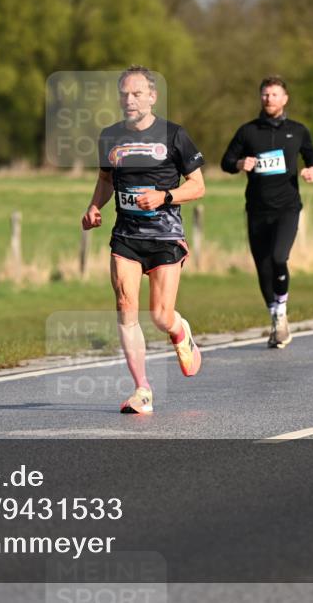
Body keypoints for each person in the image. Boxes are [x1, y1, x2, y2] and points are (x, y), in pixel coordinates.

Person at [81, 65, 205, 414]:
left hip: (165, 236)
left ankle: (180, 332)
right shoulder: (110, 136)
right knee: (125, 306)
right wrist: (93, 206)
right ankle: (142, 390)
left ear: (152, 96)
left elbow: (198, 186)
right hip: (126, 236)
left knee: (161, 317)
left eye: (136, 93)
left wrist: (164, 196)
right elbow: (106, 180)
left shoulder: (174, 135)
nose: (129, 99)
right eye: (124, 94)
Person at [220, 76, 313, 348]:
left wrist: (311, 169)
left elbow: (312, 155)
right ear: (260, 98)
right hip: (257, 209)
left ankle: (281, 314)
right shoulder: (248, 131)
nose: (269, 99)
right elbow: (225, 162)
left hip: (287, 207)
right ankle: (277, 320)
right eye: (265, 94)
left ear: (285, 98)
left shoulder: (297, 130)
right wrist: (240, 162)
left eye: (275, 94)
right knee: (263, 267)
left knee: (279, 257)